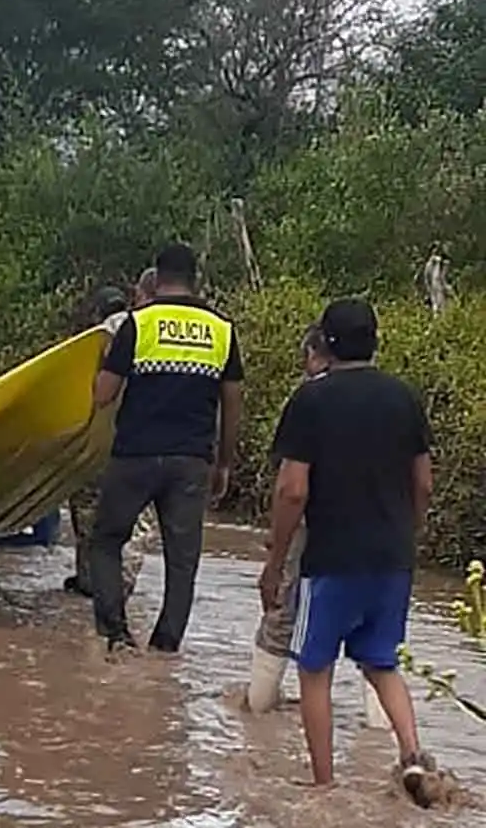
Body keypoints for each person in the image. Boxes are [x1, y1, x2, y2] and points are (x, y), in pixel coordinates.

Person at [258, 298, 433, 795]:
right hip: (392, 557)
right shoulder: (405, 398)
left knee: (314, 669)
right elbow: (423, 483)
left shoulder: (311, 400)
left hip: (332, 560)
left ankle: (323, 786)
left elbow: (292, 489)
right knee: (381, 662)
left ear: (325, 344)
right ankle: (412, 755)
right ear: (375, 341)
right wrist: (408, 535)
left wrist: (274, 561)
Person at [89, 243, 244, 656]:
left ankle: (117, 634)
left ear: (156, 279)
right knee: (182, 558)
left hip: (135, 455)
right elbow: (232, 403)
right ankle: (165, 646)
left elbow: (103, 395)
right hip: (191, 461)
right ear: (197, 279)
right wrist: (224, 463)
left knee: (105, 540)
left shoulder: (138, 324)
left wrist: (101, 363)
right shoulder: (222, 329)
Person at [247, 324, 389, 729]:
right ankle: (380, 736)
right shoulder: (395, 396)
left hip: (320, 526)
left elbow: (291, 488)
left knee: (282, 614)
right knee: (376, 636)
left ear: (316, 353)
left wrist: (275, 552)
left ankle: (258, 714)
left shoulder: (310, 398)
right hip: (382, 530)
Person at [64, 272, 159, 599]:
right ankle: (118, 583)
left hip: (93, 439)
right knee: (137, 520)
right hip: (136, 441)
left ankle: (91, 580)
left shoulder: (102, 333)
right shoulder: (147, 328)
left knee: (87, 512)